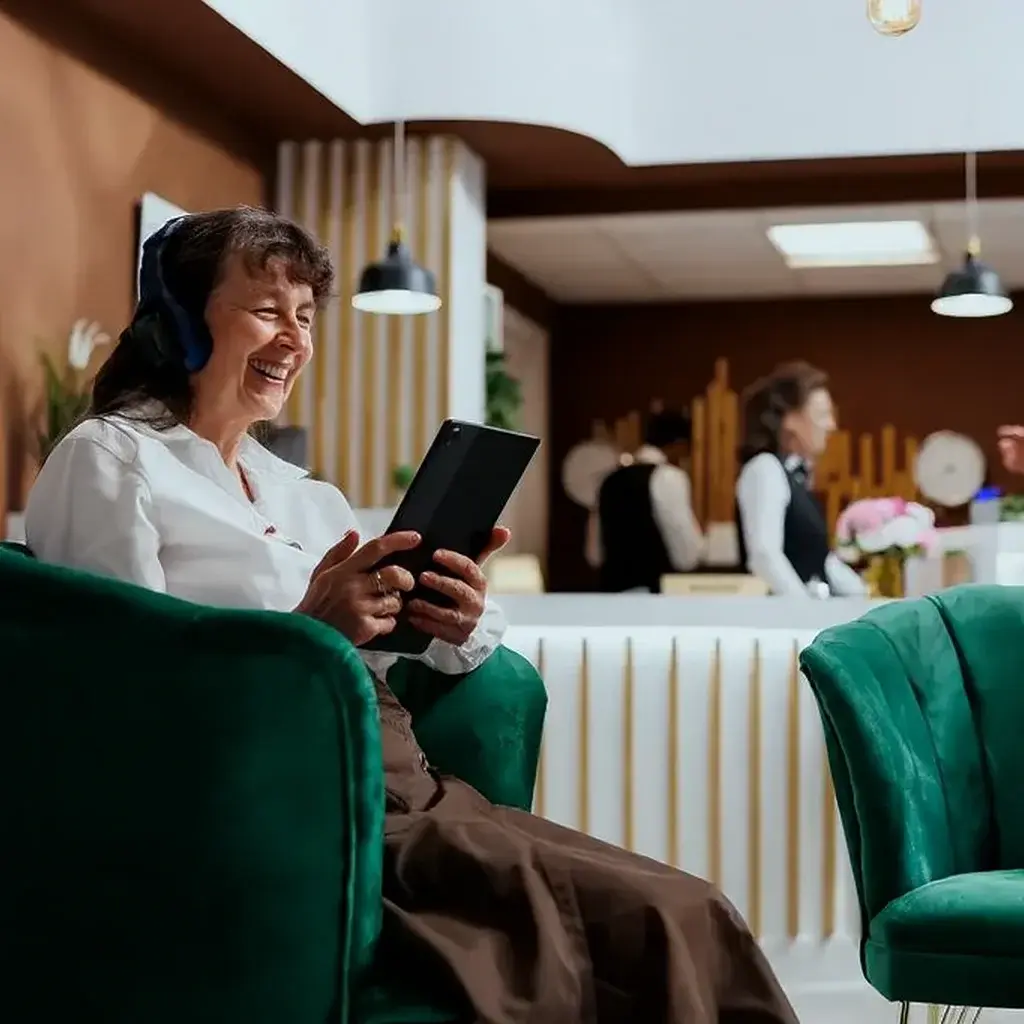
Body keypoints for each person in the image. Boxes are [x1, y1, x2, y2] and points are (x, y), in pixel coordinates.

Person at [26, 206, 798, 1024]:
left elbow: (414, 654)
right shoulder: (111, 458)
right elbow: (111, 698)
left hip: (406, 776)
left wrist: (451, 618)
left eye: (305, 315)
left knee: (693, 905)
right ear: (177, 321)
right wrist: (308, 629)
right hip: (279, 792)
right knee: (636, 925)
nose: (293, 338)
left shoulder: (304, 494)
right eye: (265, 310)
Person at [735, 362, 865, 597]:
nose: (832, 425)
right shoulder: (765, 469)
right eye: (823, 415)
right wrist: (804, 610)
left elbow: (820, 560)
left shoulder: (798, 479)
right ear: (790, 420)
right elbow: (764, 555)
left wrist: (866, 596)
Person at [589, 407, 704, 592]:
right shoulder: (669, 477)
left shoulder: (608, 479)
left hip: (611, 594)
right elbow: (686, 552)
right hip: (654, 591)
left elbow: (594, 553)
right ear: (680, 444)